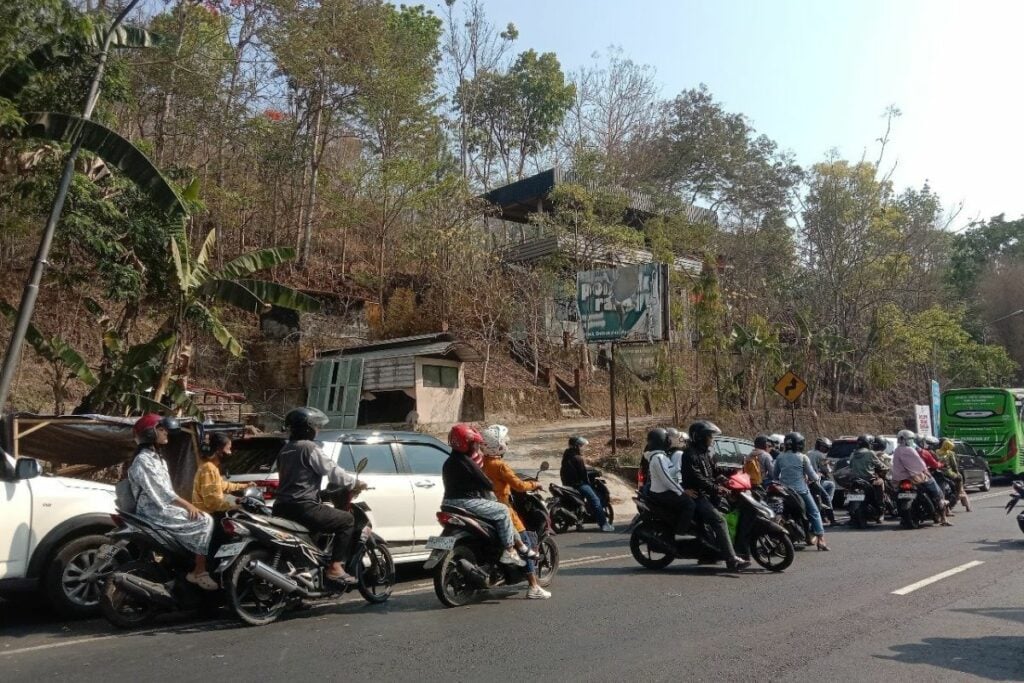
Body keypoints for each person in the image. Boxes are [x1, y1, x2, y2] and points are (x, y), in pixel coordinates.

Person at [273, 407, 367, 585]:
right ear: (307, 428)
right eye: (316, 426)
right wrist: (354, 483)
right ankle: (335, 567)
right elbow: (332, 471)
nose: (318, 430)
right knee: (346, 520)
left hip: (281, 508)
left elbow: (295, 479)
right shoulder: (309, 448)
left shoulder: (285, 450)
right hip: (303, 508)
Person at [127, 413, 217, 590]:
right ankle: (199, 571)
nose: (166, 433)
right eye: (161, 429)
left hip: (159, 508)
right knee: (205, 520)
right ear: (150, 434)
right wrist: (187, 505)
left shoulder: (157, 459)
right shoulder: (144, 460)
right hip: (153, 511)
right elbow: (163, 493)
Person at [443, 423, 536, 565]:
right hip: (466, 502)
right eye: (474, 443)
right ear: (466, 444)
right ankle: (510, 551)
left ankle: (521, 547)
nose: (476, 447)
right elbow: (487, 484)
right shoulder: (467, 462)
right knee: (504, 510)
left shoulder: (449, 461)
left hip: (448, 503)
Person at [479, 424, 551, 600]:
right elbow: (518, 485)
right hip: (504, 509)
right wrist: (535, 484)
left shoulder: (482, 463)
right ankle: (534, 587)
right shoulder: (501, 465)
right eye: (504, 441)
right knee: (525, 543)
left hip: (485, 508)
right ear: (499, 444)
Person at [679, 421, 749, 570]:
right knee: (720, 521)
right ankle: (731, 560)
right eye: (709, 436)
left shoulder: (704, 452)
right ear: (700, 437)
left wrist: (732, 472)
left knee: (728, 509)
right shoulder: (689, 454)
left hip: (708, 494)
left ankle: (713, 551)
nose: (711, 439)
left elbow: (715, 470)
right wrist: (717, 488)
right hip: (698, 496)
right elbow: (698, 478)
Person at [773, 432, 830, 551]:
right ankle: (821, 539)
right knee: (814, 512)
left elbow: (775, 475)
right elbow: (813, 476)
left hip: (784, 491)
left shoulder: (780, 457)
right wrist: (818, 477)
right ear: (799, 444)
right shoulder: (803, 457)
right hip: (801, 491)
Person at [892, 429, 951, 526]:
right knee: (939, 493)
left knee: (895, 494)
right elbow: (921, 465)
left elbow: (895, 465)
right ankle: (944, 518)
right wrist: (926, 472)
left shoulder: (897, 450)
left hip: (900, 479)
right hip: (916, 477)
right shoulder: (913, 450)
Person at [645, 428, 695, 535]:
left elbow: (674, 473)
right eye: (667, 438)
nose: (669, 441)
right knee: (689, 504)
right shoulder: (659, 458)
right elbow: (667, 480)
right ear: (661, 441)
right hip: (662, 493)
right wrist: (682, 491)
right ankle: (680, 532)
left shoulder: (662, 456)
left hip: (663, 491)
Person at [561, 435, 614, 532]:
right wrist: (588, 483)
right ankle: (604, 524)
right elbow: (583, 474)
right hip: (578, 484)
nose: (582, 448)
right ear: (576, 446)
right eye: (580, 446)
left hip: (567, 484)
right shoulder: (578, 458)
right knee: (595, 500)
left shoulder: (567, 455)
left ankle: (579, 522)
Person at [192, 433, 249, 514]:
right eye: (228, 449)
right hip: (209, 516)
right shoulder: (209, 468)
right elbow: (211, 502)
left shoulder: (212, 467)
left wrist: (245, 486)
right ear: (219, 450)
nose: (230, 452)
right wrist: (232, 507)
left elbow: (222, 485)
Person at [847, 434, 886, 514]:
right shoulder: (870, 453)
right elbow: (879, 465)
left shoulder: (852, 454)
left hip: (855, 480)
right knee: (880, 482)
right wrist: (885, 468)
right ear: (868, 443)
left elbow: (850, 466)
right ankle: (880, 505)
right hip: (868, 480)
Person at [936, 439, 972, 512]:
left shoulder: (936, 452)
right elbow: (954, 465)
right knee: (960, 489)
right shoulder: (950, 453)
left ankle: (948, 509)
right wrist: (957, 473)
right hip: (949, 474)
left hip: (938, 473)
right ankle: (967, 506)